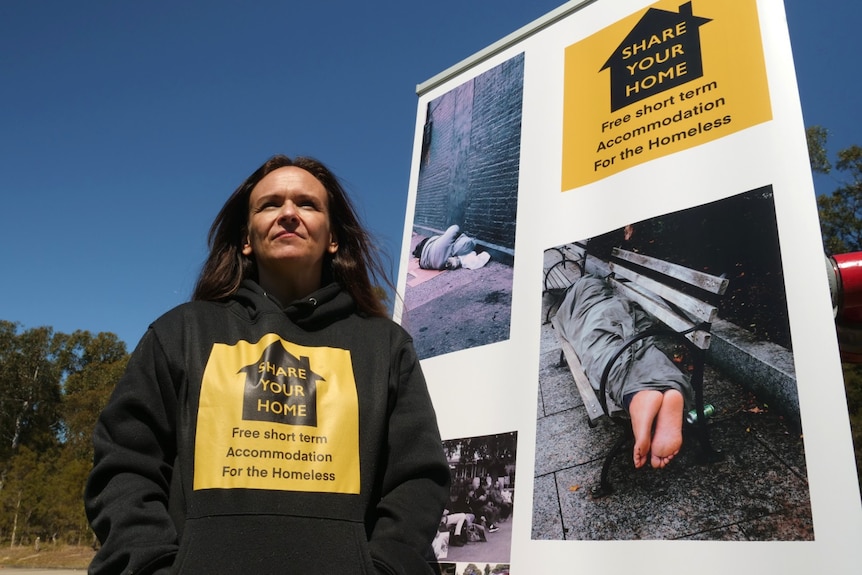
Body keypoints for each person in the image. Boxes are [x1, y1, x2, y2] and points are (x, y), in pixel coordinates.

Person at [85, 155, 451, 574]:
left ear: (333, 237)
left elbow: (418, 477)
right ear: (246, 237)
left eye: (308, 204)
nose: (289, 214)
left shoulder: (386, 346)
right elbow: (124, 465)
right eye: (270, 204)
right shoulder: (180, 333)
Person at [554, 274, 693, 470]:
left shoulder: (578, 291)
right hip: (609, 306)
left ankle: (637, 399)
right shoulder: (594, 284)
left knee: (601, 348)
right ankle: (659, 390)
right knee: (639, 347)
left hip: (593, 310)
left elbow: (567, 317)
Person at [413, 224, 483, 270]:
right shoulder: (456, 250)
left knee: (423, 246)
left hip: (425, 256)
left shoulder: (447, 241)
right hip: (431, 263)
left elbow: (455, 227)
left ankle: (416, 252)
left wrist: (458, 234)